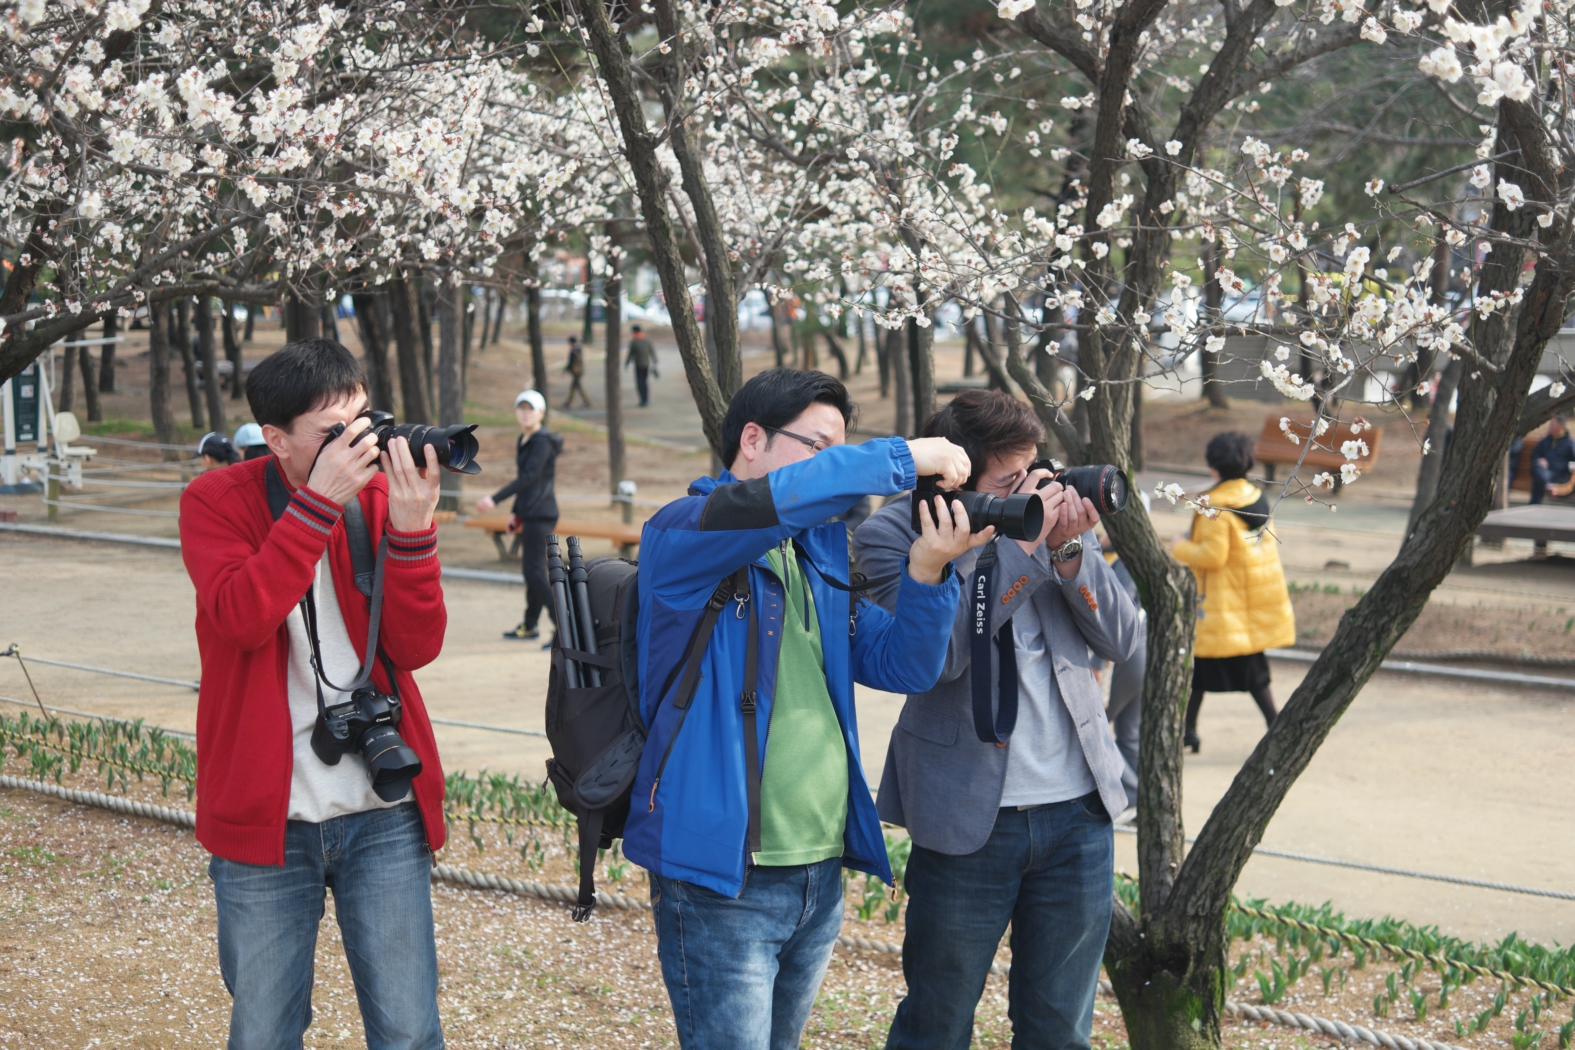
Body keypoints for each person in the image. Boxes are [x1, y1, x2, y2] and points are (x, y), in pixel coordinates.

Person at [626, 367, 983, 1050]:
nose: (832, 469)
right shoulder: (684, 531)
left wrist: (927, 570)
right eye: (819, 447)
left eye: (839, 453)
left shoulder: (816, 553)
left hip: (818, 871)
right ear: (751, 439)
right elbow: (780, 500)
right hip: (722, 878)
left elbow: (905, 666)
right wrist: (903, 456)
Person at [179, 339, 448, 1049]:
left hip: (381, 804)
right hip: (267, 815)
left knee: (409, 1029)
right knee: (265, 1031)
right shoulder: (217, 501)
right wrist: (318, 504)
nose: (358, 444)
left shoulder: (382, 496)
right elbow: (242, 618)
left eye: (364, 421)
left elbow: (416, 648)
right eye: (334, 432)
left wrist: (414, 533)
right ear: (276, 440)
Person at [851, 389, 1141, 1050]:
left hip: (1077, 815)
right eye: (1009, 483)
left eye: (1033, 471)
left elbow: (1122, 640)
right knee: (937, 1021)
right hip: (966, 816)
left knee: (1059, 1029)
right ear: (954, 482)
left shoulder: (1051, 527)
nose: (1032, 491)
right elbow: (936, 660)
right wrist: (1018, 546)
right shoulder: (895, 535)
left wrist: (1067, 550)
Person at [1172, 430, 1295, 753]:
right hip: (1246, 602)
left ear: (1213, 466)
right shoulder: (1255, 496)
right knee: (1244, 675)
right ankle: (1191, 730)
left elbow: (1213, 556)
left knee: (1204, 671)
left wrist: (1179, 546)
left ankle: (1191, 731)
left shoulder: (1214, 506)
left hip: (1222, 606)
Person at [476, 390, 564, 642]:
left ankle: (565, 628)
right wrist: (515, 513)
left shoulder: (542, 442)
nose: (526, 413)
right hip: (531, 512)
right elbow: (526, 482)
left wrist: (494, 499)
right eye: (522, 408)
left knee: (534, 571)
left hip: (542, 513)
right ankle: (530, 625)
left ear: (541, 413)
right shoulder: (525, 440)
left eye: (531, 409)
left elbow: (529, 478)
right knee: (533, 572)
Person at [1530, 414, 1575, 504]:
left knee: (1539, 480)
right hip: (1544, 473)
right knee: (1538, 468)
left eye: (1552, 424)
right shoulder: (1544, 441)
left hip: (1560, 476)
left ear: (1560, 425)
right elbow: (1535, 455)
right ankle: (1548, 486)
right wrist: (1540, 460)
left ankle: (1536, 502)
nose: (1550, 426)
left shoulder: (1570, 444)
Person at [625, 324, 659, 407]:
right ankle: (645, 399)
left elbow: (631, 354)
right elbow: (652, 352)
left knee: (640, 383)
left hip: (638, 365)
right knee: (644, 382)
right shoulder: (647, 340)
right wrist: (655, 362)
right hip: (646, 365)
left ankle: (643, 400)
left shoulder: (634, 342)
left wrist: (627, 363)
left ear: (634, 332)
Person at [563, 334, 592, 409]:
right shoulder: (578, 348)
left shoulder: (574, 350)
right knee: (574, 386)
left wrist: (566, 370)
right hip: (578, 371)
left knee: (577, 386)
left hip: (577, 372)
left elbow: (571, 362)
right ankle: (569, 402)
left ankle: (586, 401)